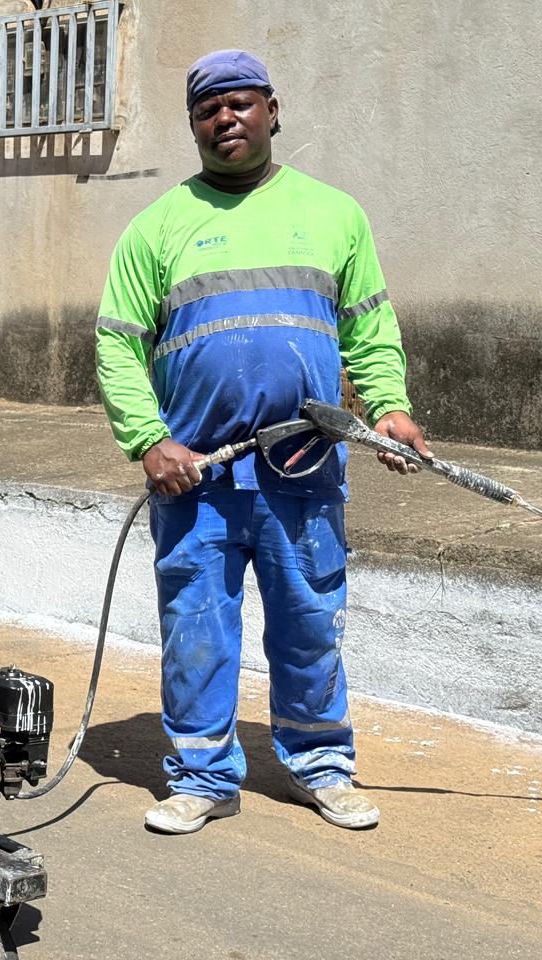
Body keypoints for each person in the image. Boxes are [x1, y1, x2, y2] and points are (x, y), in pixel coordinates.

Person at [94, 50, 432, 834]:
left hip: (305, 473)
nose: (226, 119)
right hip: (198, 481)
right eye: (209, 109)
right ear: (193, 125)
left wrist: (389, 409)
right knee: (197, 632)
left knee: (311, 624)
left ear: (272, 110)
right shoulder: (157, 229)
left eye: (241, 104)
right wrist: (149, 440)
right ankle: (203, 775)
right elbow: (116, 344)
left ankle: (321, 765)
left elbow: (371, 327)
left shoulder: (334, 214)